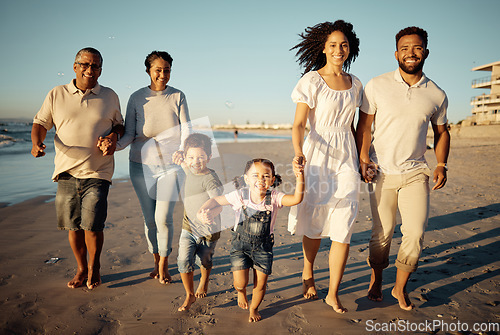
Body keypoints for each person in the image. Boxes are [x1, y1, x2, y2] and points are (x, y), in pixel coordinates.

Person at [355, 26, 450, 310]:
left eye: (417, 48)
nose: (411, 53)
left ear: (426, 52)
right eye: (405, 48)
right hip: (381, 172)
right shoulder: (376, 85)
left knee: (415, 232)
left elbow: (442, 132)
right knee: (382, 234)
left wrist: (441, 164)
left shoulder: (436, 93)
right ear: (396, 53)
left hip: (415, 173)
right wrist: (363, 158)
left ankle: (399, 288)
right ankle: (376, 277)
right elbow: (365, 126)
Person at [31, 47, 124, 290]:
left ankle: (95, 267)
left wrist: (113, 137)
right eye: (85, 64)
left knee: (92, 224)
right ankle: (81, 267)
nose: (89, 70)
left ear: (101, 70)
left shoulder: (110, 96)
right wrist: (36, 142)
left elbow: (119, 127)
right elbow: (41, 122)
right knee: (73, 226)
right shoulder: (56, 94)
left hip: (98, 171)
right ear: (75, 66)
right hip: (66, 171)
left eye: (95, 66)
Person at [287, 20, 362, 313]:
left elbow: (355, 126)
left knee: (345, 219)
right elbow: (298, 124)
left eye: (343, 45)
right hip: (317, 153)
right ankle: (308, 271)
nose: (338, 49)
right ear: (323, 47)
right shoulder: (311, 81)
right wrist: (297, 153)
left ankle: (333, 292)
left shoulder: (356, 83)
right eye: (333, 45)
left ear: (350, 48)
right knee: (316, 219)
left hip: (346, 153)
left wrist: (365, 158)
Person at [198, 158, 304, 322]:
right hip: (240, 246)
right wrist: (203, 211)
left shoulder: (274, 197)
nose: (260, 180)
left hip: (263, 248)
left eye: (266, 176)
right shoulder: (240, 196)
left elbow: (297, 199)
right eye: (255, 176)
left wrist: (300, 177)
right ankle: (241, 292)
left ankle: (254, 308)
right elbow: (216, 200)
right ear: (246, 179)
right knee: (240, 283)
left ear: (273, 179)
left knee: (260, 284)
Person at [116, 51, 191, 284]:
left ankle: (164, 264)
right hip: (140, 166)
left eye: (166, 69)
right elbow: (129, 133)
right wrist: (113, 146)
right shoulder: (136, 98)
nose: (162, 74)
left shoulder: (178, 96)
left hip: (171, 166)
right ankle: (155, 260)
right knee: (149, 219)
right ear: (148, 70)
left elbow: (187, 129)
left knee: (163, 217)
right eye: (158, 69)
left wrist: (184, 149)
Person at [172, 133, 223, 311]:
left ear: (209, 157)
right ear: (186, 157)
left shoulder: (211, 179)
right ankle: (189, 295)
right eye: (191, 157)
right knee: (183, 261)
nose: (196, 161)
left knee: (205, 261)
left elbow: (220, 203)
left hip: (208, 231)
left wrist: (212, 213)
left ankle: (204, 280)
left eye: (201, 157)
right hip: (188, 227)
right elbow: (183, 163)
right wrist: (178, 157)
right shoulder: (189, 168)